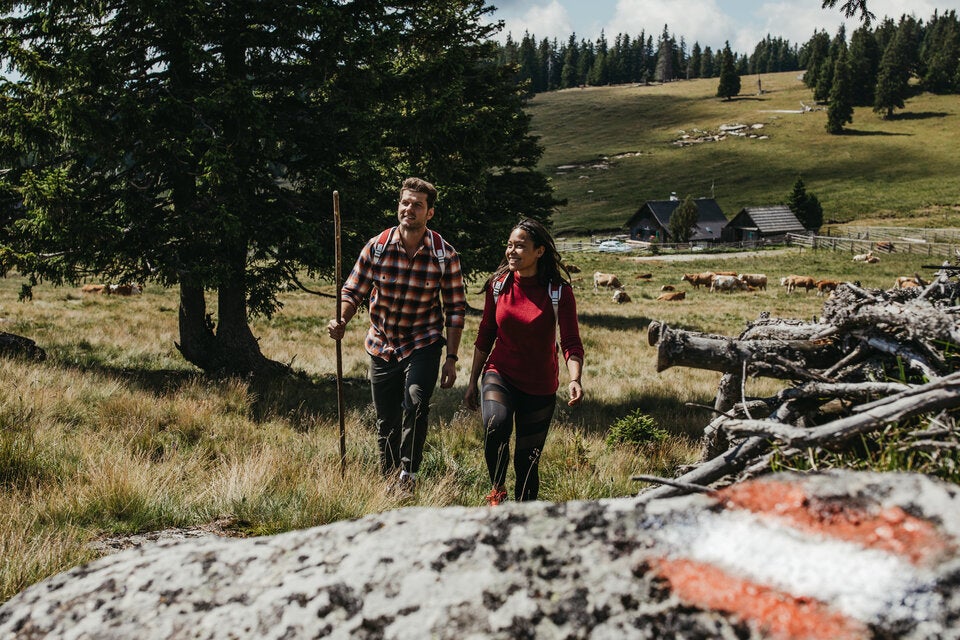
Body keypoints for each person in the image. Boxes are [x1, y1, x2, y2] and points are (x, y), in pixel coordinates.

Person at [328, 177, 466, 495]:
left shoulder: (445, 256)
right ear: (398, 206)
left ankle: (408, 474)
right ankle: (387, 479)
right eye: (405, 202)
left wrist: (452, 359)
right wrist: (341, 319)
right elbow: (353, 290)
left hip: (423, 342)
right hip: (382, 343)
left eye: (417, 205)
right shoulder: (377, 247)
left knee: (416, 404)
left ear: (429, 213)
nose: (409, 209)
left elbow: (456, 309)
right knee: (386, 419)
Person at [463, 218, 584, 506]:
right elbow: (485, 335)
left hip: (540, 384)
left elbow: (570, 341)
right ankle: (497, 490)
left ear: (539, 251)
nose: (512, 251)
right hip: (500, 372)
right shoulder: (498, 285)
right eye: (509, 245)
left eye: (520, 246)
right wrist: (471, 382)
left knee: (527, 462)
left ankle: (525, 516)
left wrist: (575, 378)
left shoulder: (559, 292)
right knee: (496, 424)